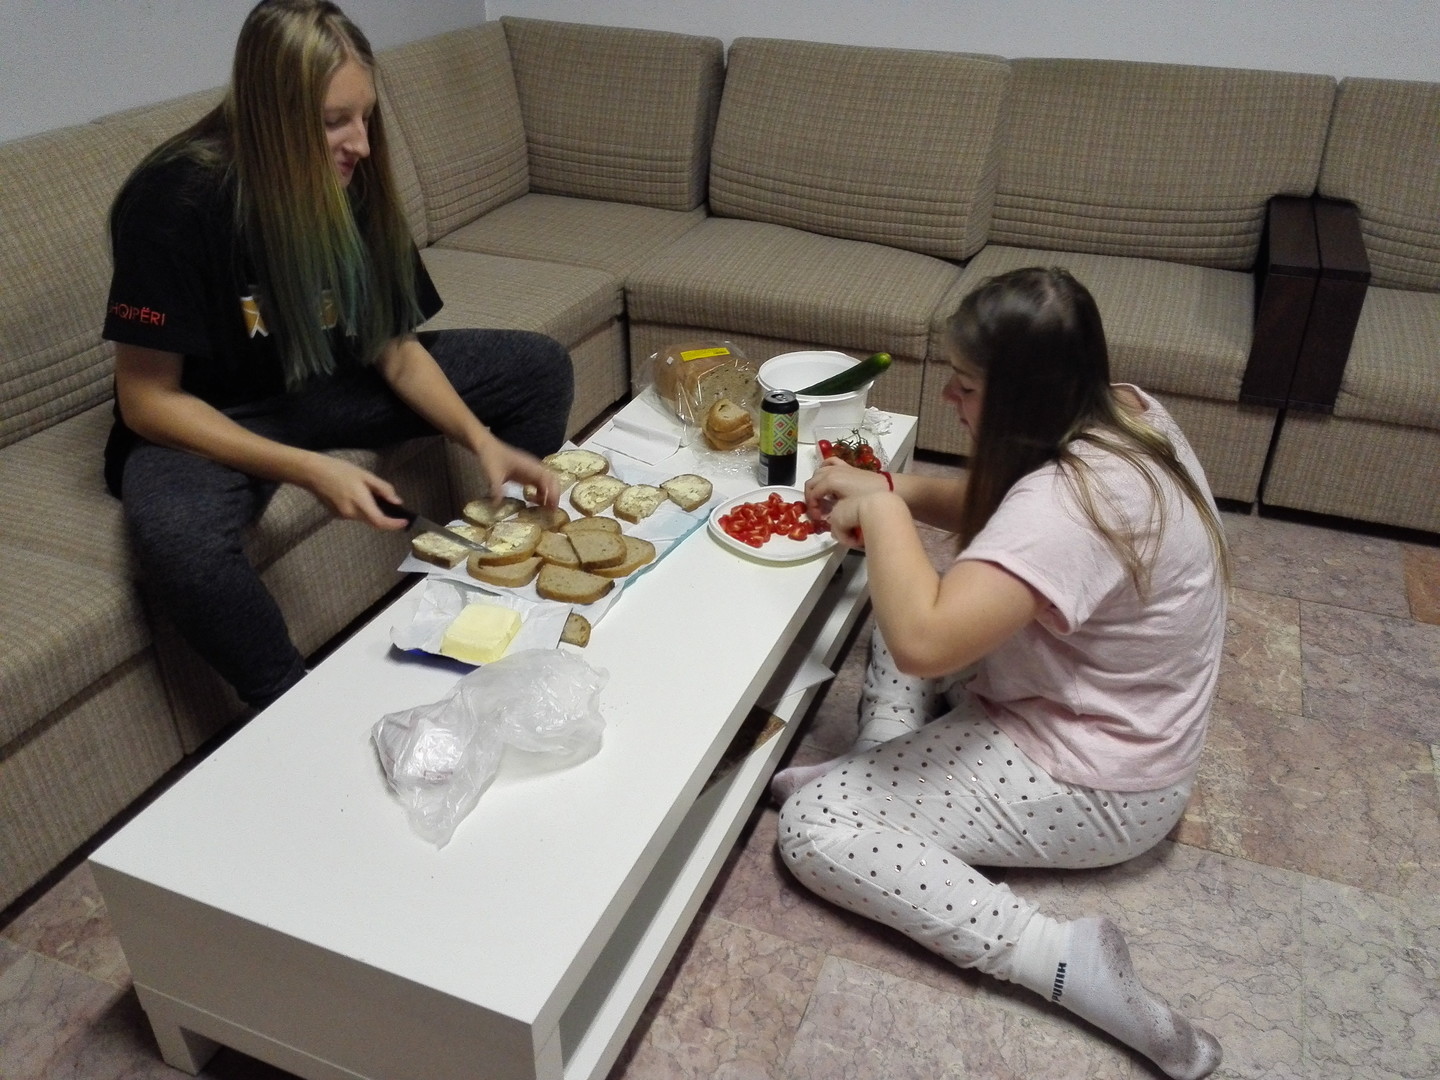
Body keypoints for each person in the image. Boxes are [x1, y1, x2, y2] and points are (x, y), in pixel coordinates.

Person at [772, 267, 1227, 1079]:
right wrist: (893, 487)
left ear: (1023, 396)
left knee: (814, 824)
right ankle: (884, 767)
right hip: (1082, 699)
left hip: (1105, 779)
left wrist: (884, 512)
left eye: (967, 385)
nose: (949, 396)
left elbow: (926, 645)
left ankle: (1060, 959)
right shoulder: (1122, 411)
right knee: (905, 590)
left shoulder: (1073, 501)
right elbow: (1007, 514)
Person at [101, 0, 573, 710]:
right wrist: (308, 468)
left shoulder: (353, 177)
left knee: (539, 368)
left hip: (324, 384)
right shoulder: (174, 198)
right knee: (180, 543)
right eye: (333, 122)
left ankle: (488, 575)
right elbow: (146, 401)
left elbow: (392, 347)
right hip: (213, 415)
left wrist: (482, 441)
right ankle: (287, 703)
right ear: (270, 117)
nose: (361, 144)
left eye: (366, 117)